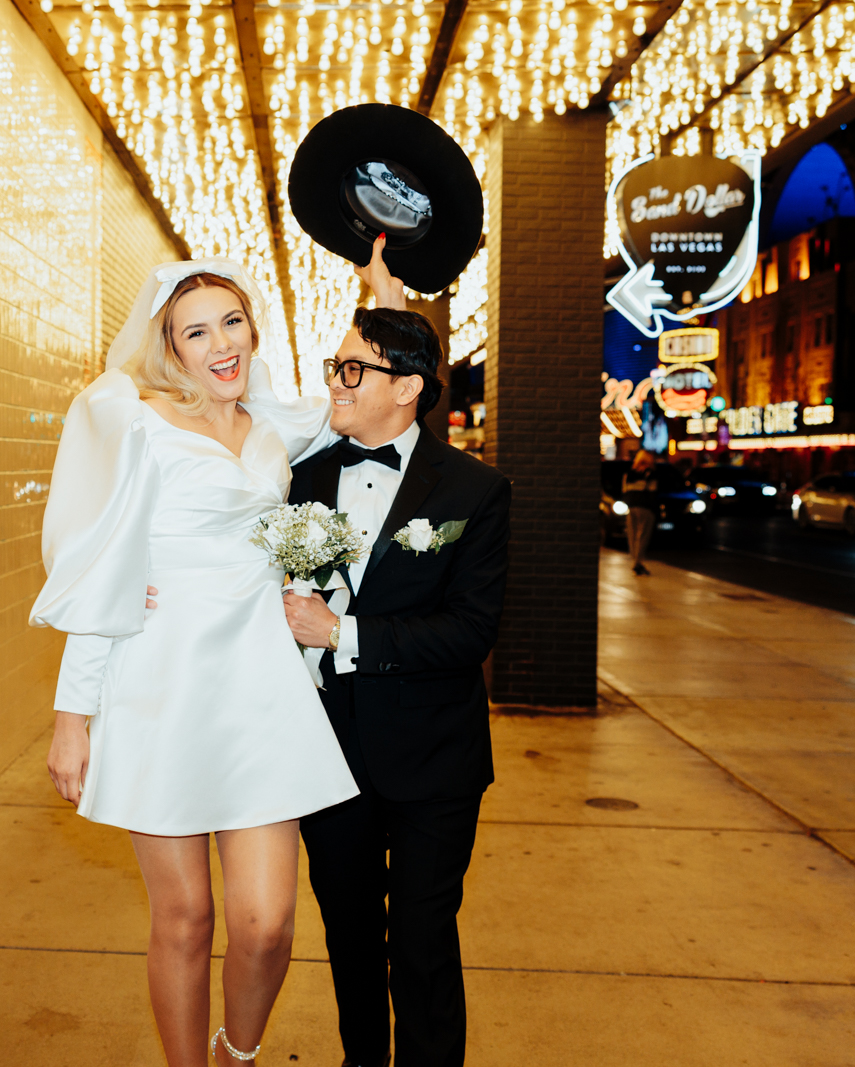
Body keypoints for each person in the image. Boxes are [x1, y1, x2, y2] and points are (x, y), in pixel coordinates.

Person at [31, 256, 399, 1066]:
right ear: (170, 347)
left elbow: (371, 392)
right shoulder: (138, 423)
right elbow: (103, 573)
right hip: (160, 681)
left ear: (252, 330)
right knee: (187, 916)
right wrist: (72, 715)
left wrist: (386, 301)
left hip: (263, 689)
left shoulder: (275, 426)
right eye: (196, 331)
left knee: (268, 923)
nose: (220, 344)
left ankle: (238, 1051)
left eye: (231, 322)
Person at [280, 247, 512, 1067]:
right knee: (347, 934)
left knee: (420, 936)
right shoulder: (297, 477)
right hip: (327, 754)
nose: (336, 382)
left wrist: (342, 633)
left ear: (407, 387)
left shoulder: (471, 493)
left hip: (434, 759)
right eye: (335, 365)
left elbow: (468, 632)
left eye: (353, 368)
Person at [621, 449, 659, 576]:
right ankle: (638, 562)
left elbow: (624, 490)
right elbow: (653, 491)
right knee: (643, 535)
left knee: (632, 534)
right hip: (646, 507)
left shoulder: (629, 473)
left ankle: (635, 561)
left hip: (631, 506)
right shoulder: (650, 473)